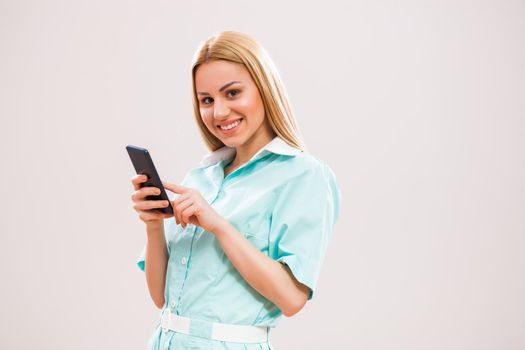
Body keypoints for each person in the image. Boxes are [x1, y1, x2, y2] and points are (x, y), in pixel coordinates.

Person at [130, 31, 341, 350]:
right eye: (207, 100)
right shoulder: (201, 177)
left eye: (232, 93)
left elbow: (292, 298)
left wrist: (218, 225)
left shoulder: (305, 176)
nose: (219, 113)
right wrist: (153, 225)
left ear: (264, 88)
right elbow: (161, 297)